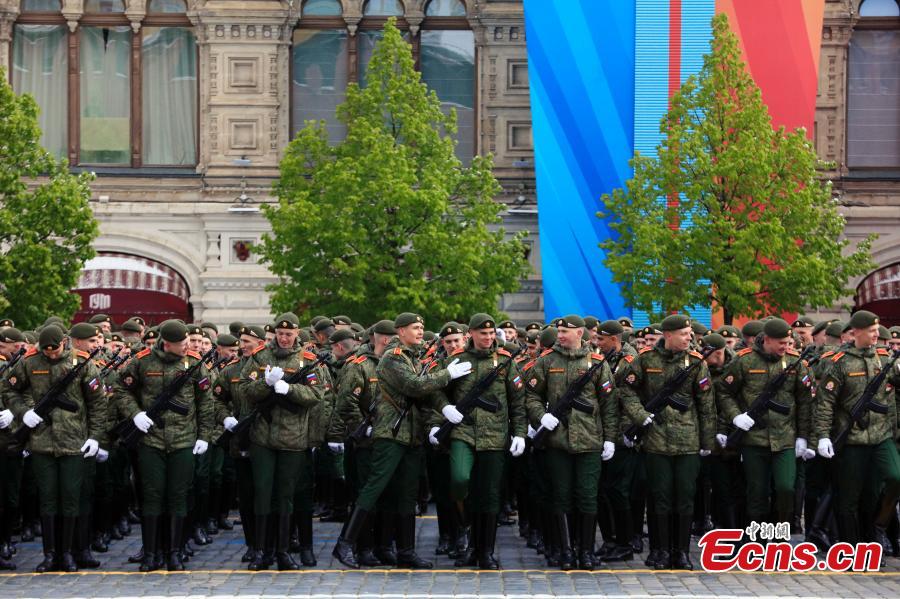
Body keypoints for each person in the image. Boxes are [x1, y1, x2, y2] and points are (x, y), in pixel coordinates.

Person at [332, 312, 472, 569]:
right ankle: (344, 543)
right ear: (400, 332)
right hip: (391, 434)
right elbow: (414, 386)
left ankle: (406, 551)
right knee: (374, 487)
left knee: (407, 494)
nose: (420, 331)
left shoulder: (414, 358)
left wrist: (439, 415)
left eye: (422, 327)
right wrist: (446, 376)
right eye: (415, 328)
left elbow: (426, 396)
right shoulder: (393, 358)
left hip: (412, 435)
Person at [114, 320, 214, 572]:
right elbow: (120, 388)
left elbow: (206, 402)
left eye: (188, 342)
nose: (187, 347)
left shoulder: (194, 363)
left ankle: (175, 553)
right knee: (152, 496)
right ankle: (151, 553)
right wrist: (135, 414)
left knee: (178, 496)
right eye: (182, 344)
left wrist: (204, 436)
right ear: (167, 343)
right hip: (151, 441)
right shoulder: (142, 361)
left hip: (183, 440)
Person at [430, 313, 527, 569]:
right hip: (463, 432)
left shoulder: (506, 361)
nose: (486, 337)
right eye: (481, 333)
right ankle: (469, 536)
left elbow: (518, 401)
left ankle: (484, 551)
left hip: (494, 436)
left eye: (489, 333)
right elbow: (436, 390)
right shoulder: (457, 360)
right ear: (470, 334)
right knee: (460, 479)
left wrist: (519, 433)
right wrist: (445, 408)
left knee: (490, 494)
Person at [618, 314, 715, 570]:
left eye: (690, 333)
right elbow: (626, 389)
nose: (689, 338)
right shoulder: (646, 359)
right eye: (684, 334)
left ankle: (680, 552)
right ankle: (659, 550)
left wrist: (707, 440)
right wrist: (640, 416)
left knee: (684, 497)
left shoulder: (696, 362)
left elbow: (706, 405)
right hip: (656, 440)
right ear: (668, 334)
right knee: (659, 497)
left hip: (688, 441)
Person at [7, 323, 106, 572]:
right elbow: (8, 388)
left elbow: (97, 403)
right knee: (48, 500)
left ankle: (68, 553)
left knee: (70, 499)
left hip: (74, 443)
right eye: (46, 350)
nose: (51, 354)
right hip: (42, 441)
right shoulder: (30, 361)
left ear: (64, 341)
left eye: (55, 349)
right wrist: (23, 412)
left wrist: (94, 437)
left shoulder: (82, 362)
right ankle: (50, 554)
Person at [524, 315, 618, 571]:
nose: (561, 335)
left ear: (580, 333)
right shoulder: (546, 361)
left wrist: (610, 439)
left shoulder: (597, 363)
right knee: (561, 496)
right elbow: (531, 395)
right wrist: (541, 416)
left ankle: (585, 551)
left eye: (566, 331)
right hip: (557, 442)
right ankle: (566, 551)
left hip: (589, 441)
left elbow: (609, 405)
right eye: (559, 331)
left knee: (587, 497)